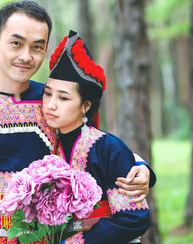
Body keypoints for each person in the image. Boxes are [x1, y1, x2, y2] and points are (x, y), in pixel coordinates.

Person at [0, 0, 155, 244]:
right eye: (16, 43)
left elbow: (93, 142)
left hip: (49, 238)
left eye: (37, 47)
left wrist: (143, 170)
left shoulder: (51, 100)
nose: (26, 56)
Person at [42, 30, 151, 244]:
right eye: (47, 93)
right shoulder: (46, 143)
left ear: (86, 105)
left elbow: (133, 218)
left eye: (63, 97)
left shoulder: (107, 147)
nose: (51, 104)